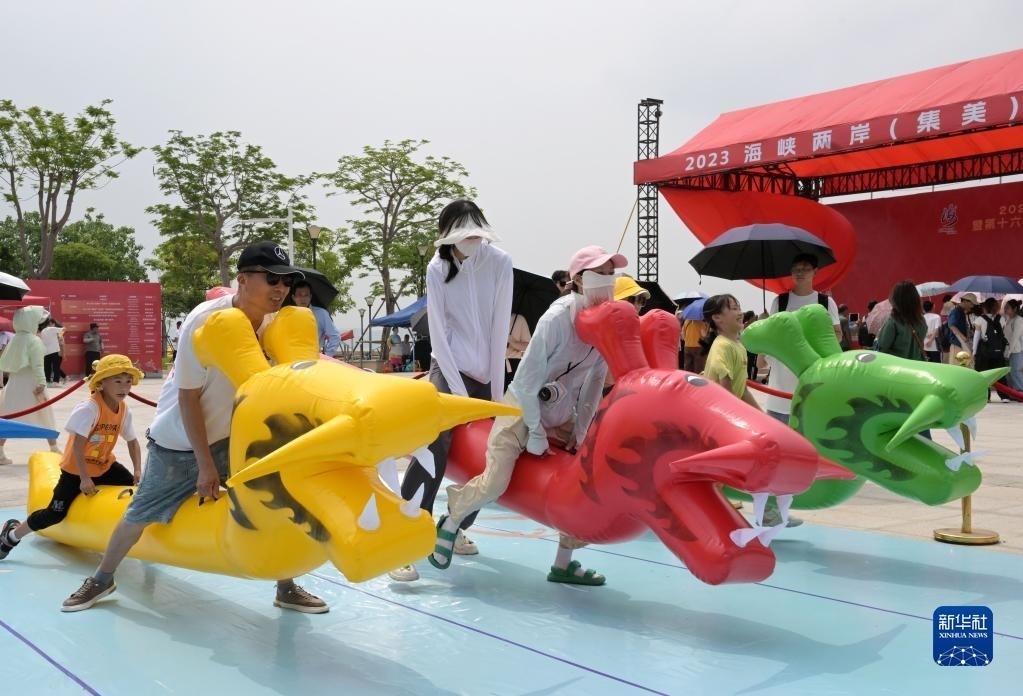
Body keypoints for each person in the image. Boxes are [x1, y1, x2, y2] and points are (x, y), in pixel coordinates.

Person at [60, 240, 328, 613]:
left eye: (287, 281)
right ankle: (101, 579)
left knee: (273, 501)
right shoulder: (205, 320)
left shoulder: (276, 323)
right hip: (182, 443)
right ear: (242, 279)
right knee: (140, 513)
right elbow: (188, 398)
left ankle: (286, 585)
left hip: (237, 438)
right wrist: (205, 465)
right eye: (271, 279)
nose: (281, 288)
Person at [430, 244, 626, 586]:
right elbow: (525, 381)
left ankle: (563, 564)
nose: (608, 280)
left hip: (562, 414)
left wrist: (582, 431)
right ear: (579, 279)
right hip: (522, 408)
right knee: (495, 482)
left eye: (612, 273)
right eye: (600, 273)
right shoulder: (556, 319)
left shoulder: (606, 323)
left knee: (581, 486)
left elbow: (594, 383)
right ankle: (452, 519)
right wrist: (534, 431)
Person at [391, 200, 513, 583]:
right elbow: (439, 335)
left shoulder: (500, 262)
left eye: (478, 232)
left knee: (488, 450)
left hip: (488, 370)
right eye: (465, 234)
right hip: (448, 366)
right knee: (434, 442)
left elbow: (499, 329)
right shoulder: (437, 268)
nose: (473, 240)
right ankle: (406, 537)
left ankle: (454, 524)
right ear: (448, 236)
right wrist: (458, 393)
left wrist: (495, 395)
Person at [0, 355, 144, 561]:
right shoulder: (89, 408)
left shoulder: (123, 409)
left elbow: (133, 441)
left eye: (128, 381)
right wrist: (84, 478)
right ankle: (12, 535)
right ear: (101, 383)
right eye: (118, 381)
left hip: (105, 465)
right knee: (55, 513)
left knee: (138, 493)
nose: (124, 387)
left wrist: (137, 470)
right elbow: (77, 446)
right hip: (76, 470)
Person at [0, 306, 61, 464]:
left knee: (8, 417)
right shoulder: (34, 340)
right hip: (32, 384)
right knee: (45, 414)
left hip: (14, 384)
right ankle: (54, 448)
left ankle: (0, 453)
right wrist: (41, 382)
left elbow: (5, 362)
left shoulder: (15, 339)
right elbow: (38, 365)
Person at [701, 294, 759, 409]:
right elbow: (726, 392)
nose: (741, 313)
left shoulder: (740, 347)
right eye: (734, 308)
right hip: (719, 415)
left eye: (739, 308)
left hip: (730, 413)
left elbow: (743, 391)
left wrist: (762, 416)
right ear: (717, 317)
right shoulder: (722, 345)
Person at [288, 279, 341, 356]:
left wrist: (327, 355)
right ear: (293, 297)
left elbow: (335, 336)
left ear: (310, 296)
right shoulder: (288, 315)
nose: (303, 298)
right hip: (292, 358)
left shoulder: (321, 314)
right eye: (299, 295)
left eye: (306, 295)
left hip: (314, 357)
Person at [972, 297, 1010, 402]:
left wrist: (974, 352)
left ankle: (985, 396)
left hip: (984, 351)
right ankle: (1004, 397)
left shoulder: (979, 319)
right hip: (998, 351)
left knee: (983, 374)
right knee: (999, 374)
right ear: (996, 307)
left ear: (984, 307)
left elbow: (976, 336)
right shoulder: (1001, 319)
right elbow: (1002, 335)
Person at [946, 293, 976, 364]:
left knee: (963, 365)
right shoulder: (956, 311)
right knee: (958, 366)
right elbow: (952, 326)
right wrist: (963, 338)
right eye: (971, 303)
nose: (972, 306)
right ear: (965, 301)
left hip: (961, 344)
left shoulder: (961, 311)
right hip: (957, 344)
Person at [1002, 299, 1023, 394]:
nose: (1005, 309)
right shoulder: (1008, 319)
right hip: (1008, 350)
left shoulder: (1019, 320)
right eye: (1005, 307)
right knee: (1008, 373)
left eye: (1007, 308)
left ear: (1014, 309)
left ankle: (1020, 391)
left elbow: (1015, 337)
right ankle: (1012, 392)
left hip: (1016, 350)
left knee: (1016, 371)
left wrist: (1009, 351)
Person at [505, 313, 531, 389]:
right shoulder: (491, 318)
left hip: (513, 364)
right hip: (493, 363)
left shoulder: (519, 319)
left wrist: (512, 342)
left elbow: (528, 346)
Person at [39, 317, 63, 386]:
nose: (55, 325)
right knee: (56, 367)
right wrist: (60, 336)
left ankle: (47, 381)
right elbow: (64, 329)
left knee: (47, 368)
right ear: (51, 323)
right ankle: (56, 382)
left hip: (46, 352)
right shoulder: (52, 329)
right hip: (54, 351)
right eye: (54, 323)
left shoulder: (43, 331)